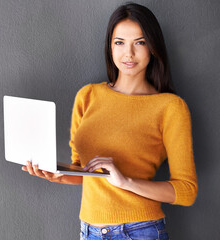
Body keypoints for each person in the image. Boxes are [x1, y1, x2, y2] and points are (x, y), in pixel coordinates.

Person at [22, 3, 197, 239]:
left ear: (153, 48)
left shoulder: (170, 107)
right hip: (89, 230)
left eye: (140, 42)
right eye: (119, 42)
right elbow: (82, 170)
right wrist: (57, 174)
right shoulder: (88, 95)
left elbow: (186, 191)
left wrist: (125, 182)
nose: (129, 54)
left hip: (139, 231)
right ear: (110, 47)